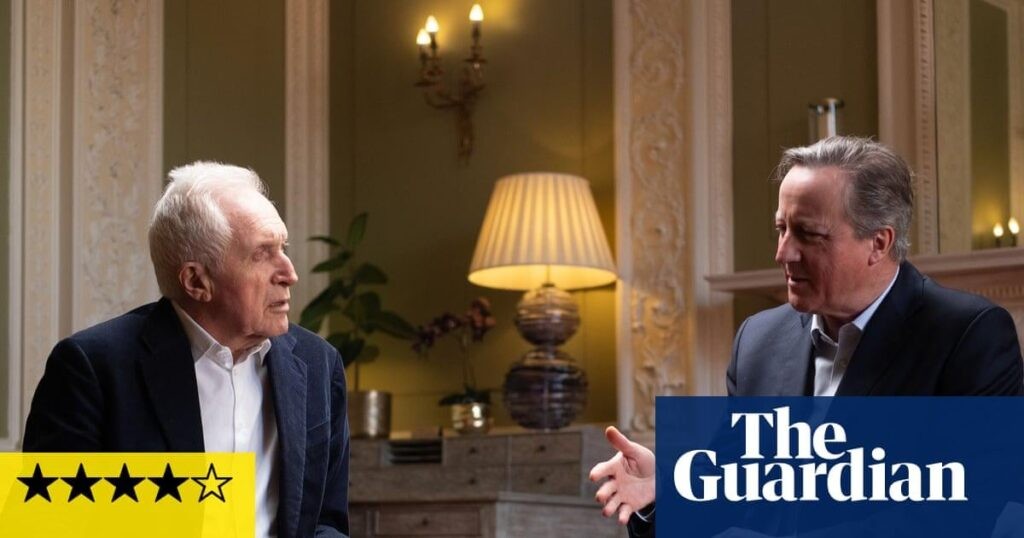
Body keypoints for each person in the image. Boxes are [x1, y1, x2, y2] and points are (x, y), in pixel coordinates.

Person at [589, 136, 1024, 537]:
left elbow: (960, 515)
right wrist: (660, 493)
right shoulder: (758, 340)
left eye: (808, 234)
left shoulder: (969, 335)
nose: (783, 253)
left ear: (878, 243)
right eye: (781, 229)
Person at [23, 162, 350, 538]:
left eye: (283, 248)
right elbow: (49, 525)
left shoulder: (317, 363)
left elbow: (326, 521)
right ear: (196, 280)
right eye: (262, 254)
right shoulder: (92, 367)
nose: (289, 273)